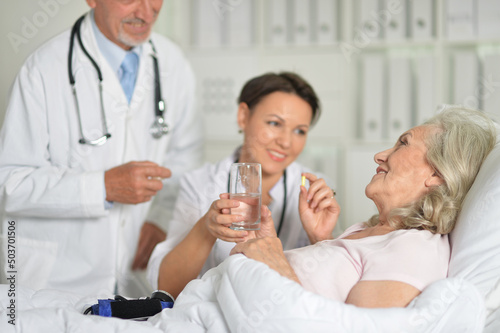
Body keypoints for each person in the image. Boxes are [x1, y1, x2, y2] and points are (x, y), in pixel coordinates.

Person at [0, 0, 203, 297]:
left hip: (136, 276)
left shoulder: (173, 63)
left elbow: (186, 159)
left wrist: (160, 218)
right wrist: (101, 187)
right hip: (54, 280)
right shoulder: (43, 69)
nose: (146, 13)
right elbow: (10, 183)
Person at [230, 107, 497, 308]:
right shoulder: (373, 231)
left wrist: (274, 261)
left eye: (403, 143)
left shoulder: (412, 249)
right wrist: (321, 240)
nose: (379, 155)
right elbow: (330, 297)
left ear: (437, 174)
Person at [147, 72, 337, 298]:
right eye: (275, 123)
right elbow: (167, 288)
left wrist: (320, 238)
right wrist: (206, 228)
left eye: (299, 131)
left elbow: (331, 293)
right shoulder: (200, 183)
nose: (286, 142)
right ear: (243, 116)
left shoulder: (313, 189)